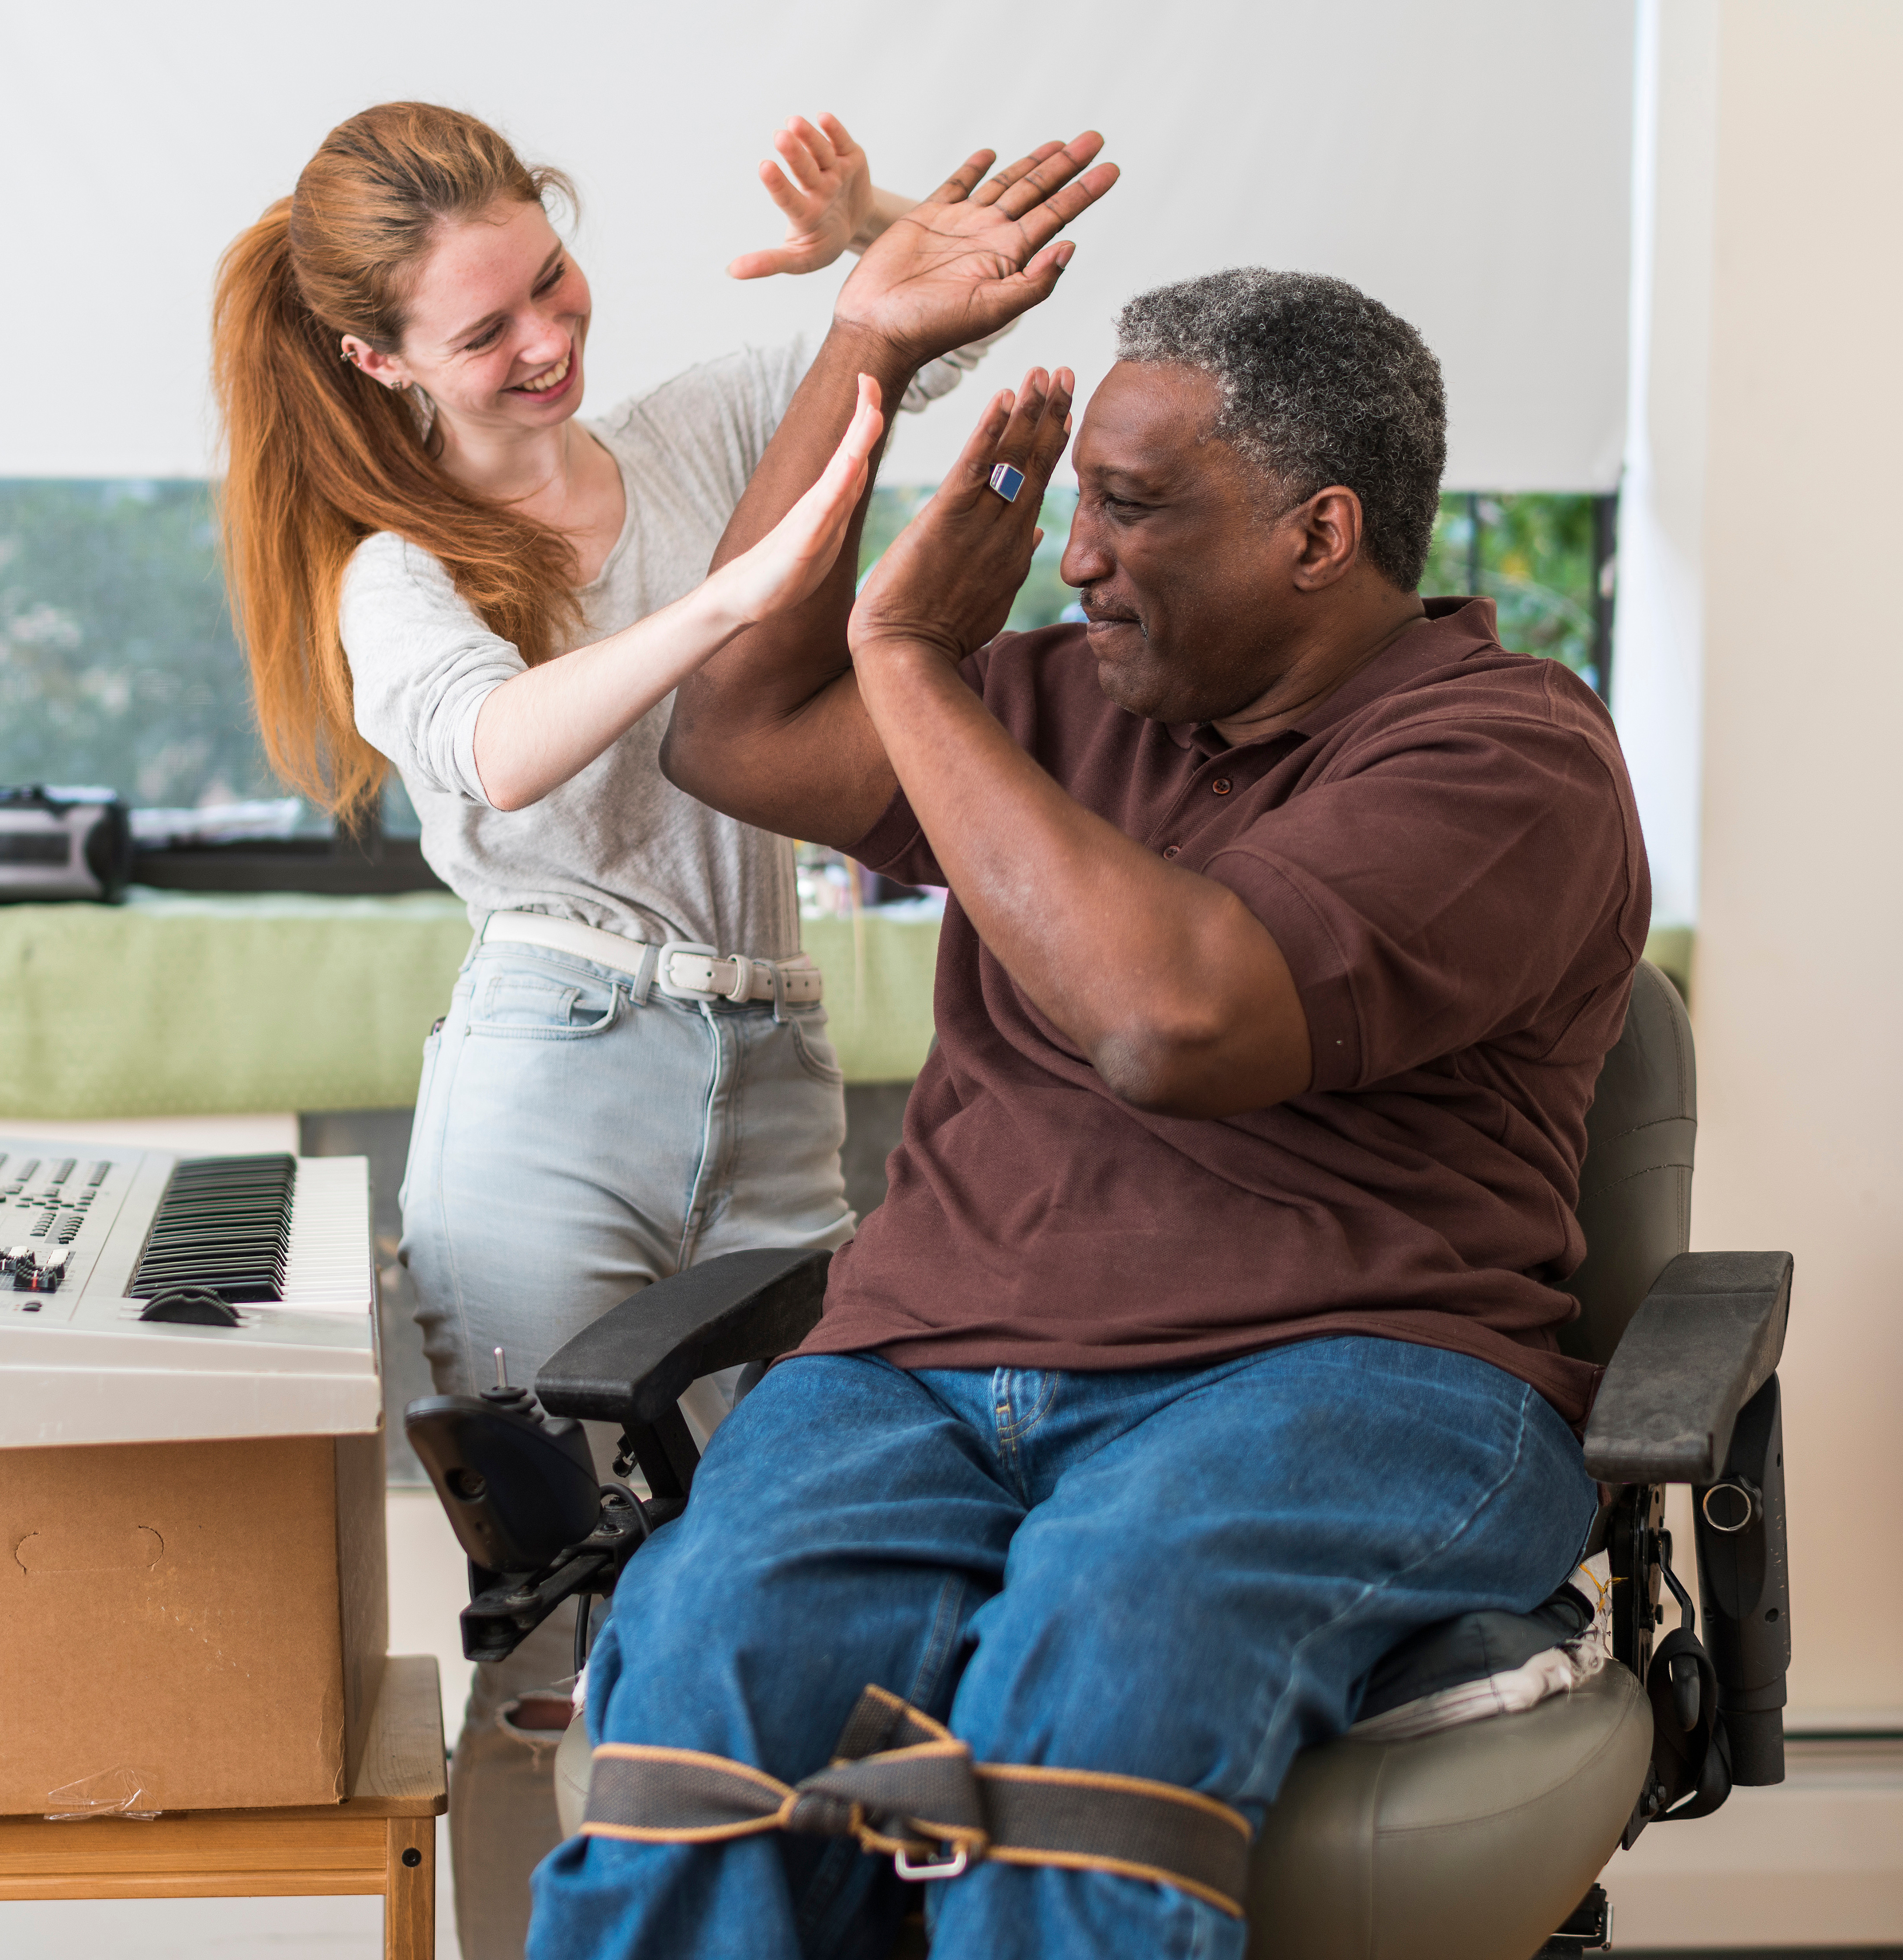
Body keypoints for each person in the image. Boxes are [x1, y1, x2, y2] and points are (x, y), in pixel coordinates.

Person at [526, 147, 1650, 1959]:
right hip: (921, 1371)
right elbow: (724, 730)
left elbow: (1168, 1018)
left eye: (1128, 509)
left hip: (1344, 1377)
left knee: (1103, 1655)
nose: (1078, 557)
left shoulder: (1505, 756)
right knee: (708, 1679)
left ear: (1320, 533)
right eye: (1074, 507)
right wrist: (866, 362)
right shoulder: (1055, 698)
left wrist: (902, 646)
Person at [208, 101, 1084, 1958]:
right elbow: (500, 750)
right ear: (379, 361)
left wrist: (879, 227)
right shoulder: (396, 563)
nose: (545, 338)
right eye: (483, 328)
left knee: (824, 1573)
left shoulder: (694, 430)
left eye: (550, 278)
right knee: (543, 1638)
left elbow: (931, 322)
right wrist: (738, 601)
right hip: (553, 1091)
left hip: (770, 1069)